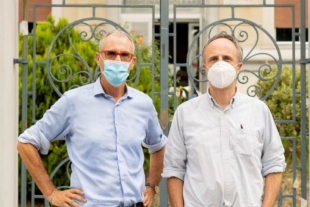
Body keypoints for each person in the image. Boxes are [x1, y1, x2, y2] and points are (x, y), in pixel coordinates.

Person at [17, 30, 166, 207]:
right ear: (98, 58)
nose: (118, 60)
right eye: (110, 53)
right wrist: (51, 193)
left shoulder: (144, 104)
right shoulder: (73, 102)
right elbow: (25, 142)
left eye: (124, 55)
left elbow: (158, 146)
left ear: (132, 62)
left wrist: (151, 185)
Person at [162, 32, 286, 207]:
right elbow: (174, 169)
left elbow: (274, 164)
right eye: (214, 59)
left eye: (227, 58)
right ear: (205, 67)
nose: (220, 64)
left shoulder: (259, 111)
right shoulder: (185, 114)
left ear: (238, 66)